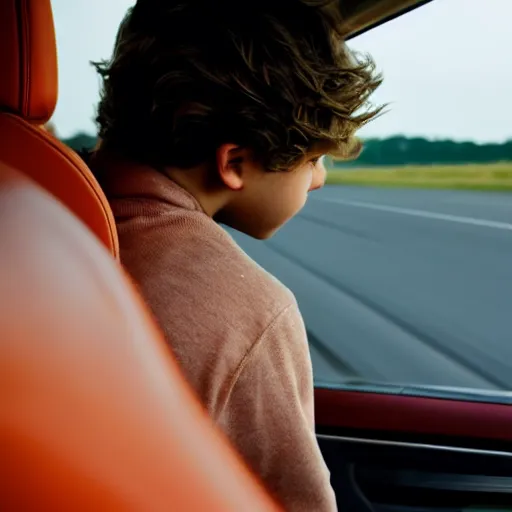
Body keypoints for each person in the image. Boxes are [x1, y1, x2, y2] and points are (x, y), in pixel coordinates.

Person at [87, 1, 382, 509]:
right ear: (236, 162)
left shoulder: (41, 209)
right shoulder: (250, 312)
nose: (319, 178)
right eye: (314, 159)